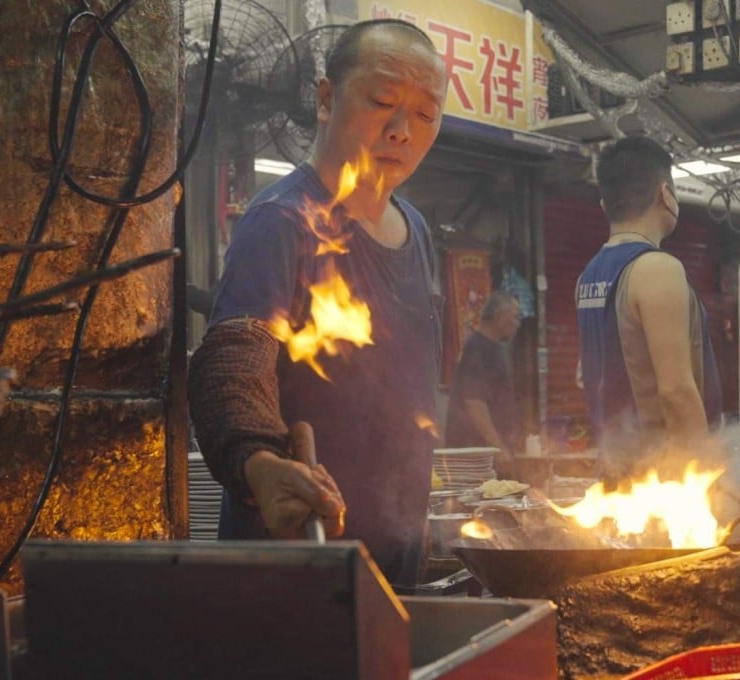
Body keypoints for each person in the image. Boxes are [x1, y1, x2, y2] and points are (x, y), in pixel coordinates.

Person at [187, 19, 448, 588]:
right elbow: (235, 359)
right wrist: (259, 462)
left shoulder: (418, 230)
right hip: (294, 566)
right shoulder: (283, 220)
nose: (402, 130)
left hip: (394, 567)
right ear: (326, 99)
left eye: (426, 114)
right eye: (382, 101)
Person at [576, 136, 722, 481]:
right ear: (665, 194)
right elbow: (675, 392)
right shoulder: (657, 268)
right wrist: (707, 479)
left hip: (618, 471)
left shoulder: (588, 275)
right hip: (662, 479)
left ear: (604, 205)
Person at [444, 291, 523, 465]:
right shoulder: (478, 349)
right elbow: (475, 404)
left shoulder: (497, 348)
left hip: (490, 454)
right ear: (499, 317)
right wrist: (498, 447)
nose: (518, 324)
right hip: (475, 457)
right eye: (515, 318)